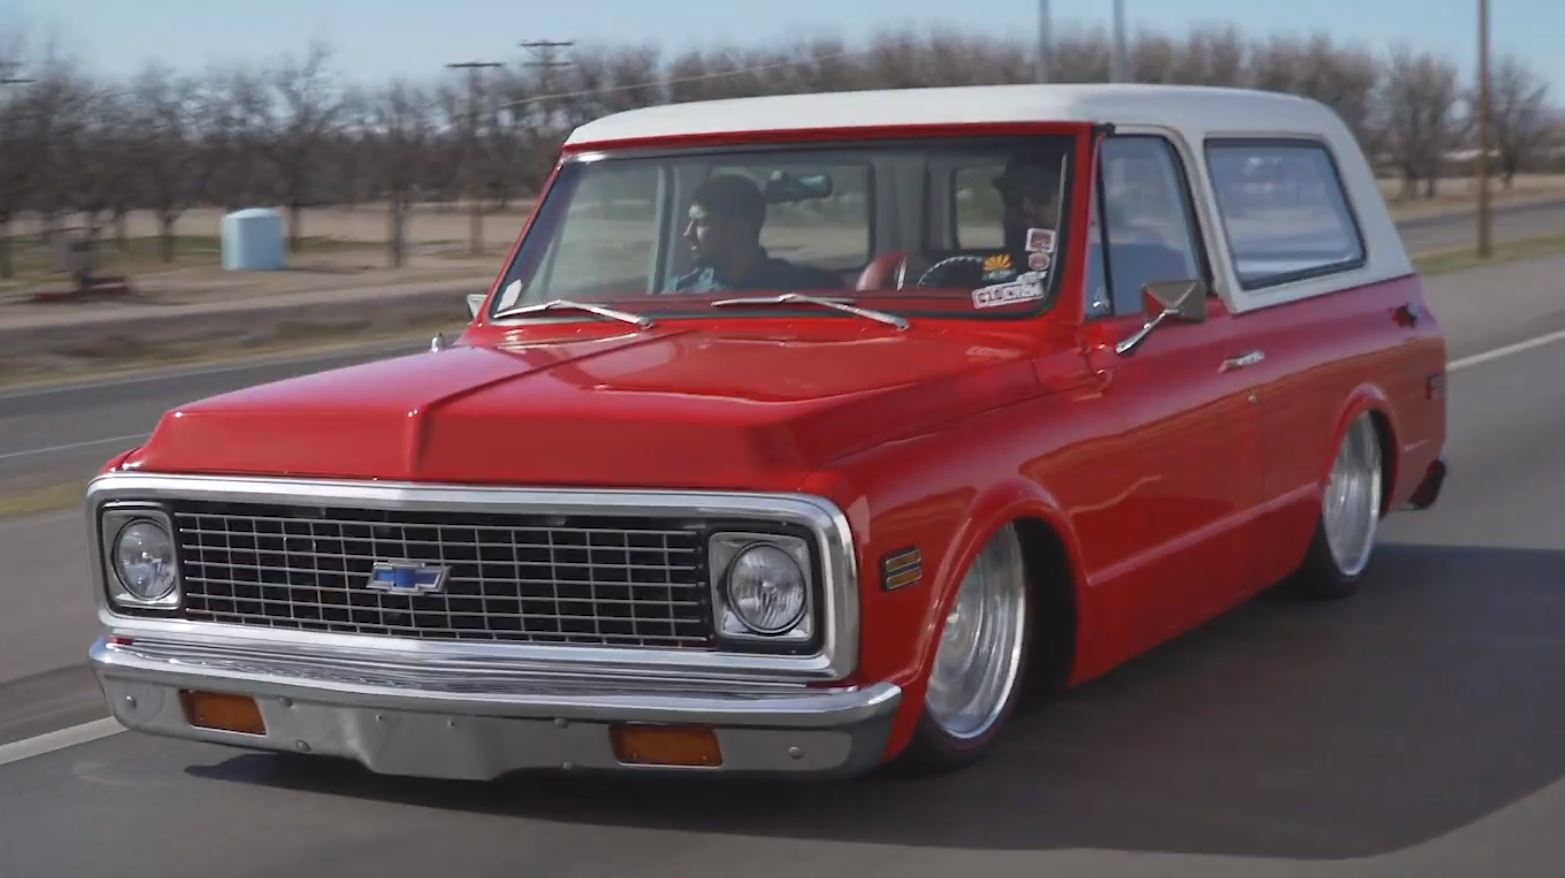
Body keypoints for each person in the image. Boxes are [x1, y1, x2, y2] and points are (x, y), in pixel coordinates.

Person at [669, 173, 843, 294]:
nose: (687, 233)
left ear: (738, 228)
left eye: (701, 222)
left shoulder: (812, 291)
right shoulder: (680, 295)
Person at [918, 153, 1063, 289]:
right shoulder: (1001, 267)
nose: (1026, 207)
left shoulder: (1079, 275)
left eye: (1039, 195)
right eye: (1012, 198)